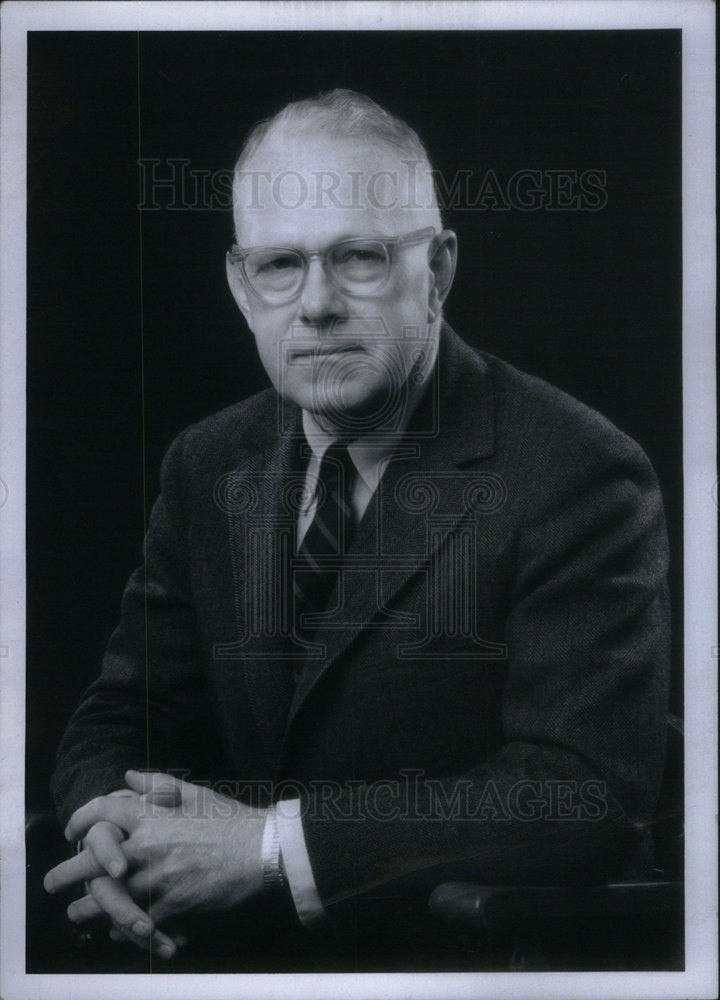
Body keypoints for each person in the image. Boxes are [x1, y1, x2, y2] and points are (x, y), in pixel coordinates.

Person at [44, 89, 671, 970]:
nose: (317, 305)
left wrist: (267, 849)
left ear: (441, 269)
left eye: (360, 259)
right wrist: (113, 833)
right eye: (280, 266)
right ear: (239, 283)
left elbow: (584, 792)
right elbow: (125, 713)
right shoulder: (208, 461)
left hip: (460, 970)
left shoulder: (578, 471)